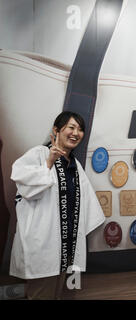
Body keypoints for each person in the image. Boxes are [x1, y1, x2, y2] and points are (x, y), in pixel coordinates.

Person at [9, 111, 105, 299]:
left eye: (80, 129)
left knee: (64, 294)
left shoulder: (75, 166)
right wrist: (49, 163)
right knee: (41, 294)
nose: (76, 133)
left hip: (68, 247)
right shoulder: (39, 153)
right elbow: (22, 181)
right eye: (71, 127)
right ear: (56, 130)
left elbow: (87, 205)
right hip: (44, 247)